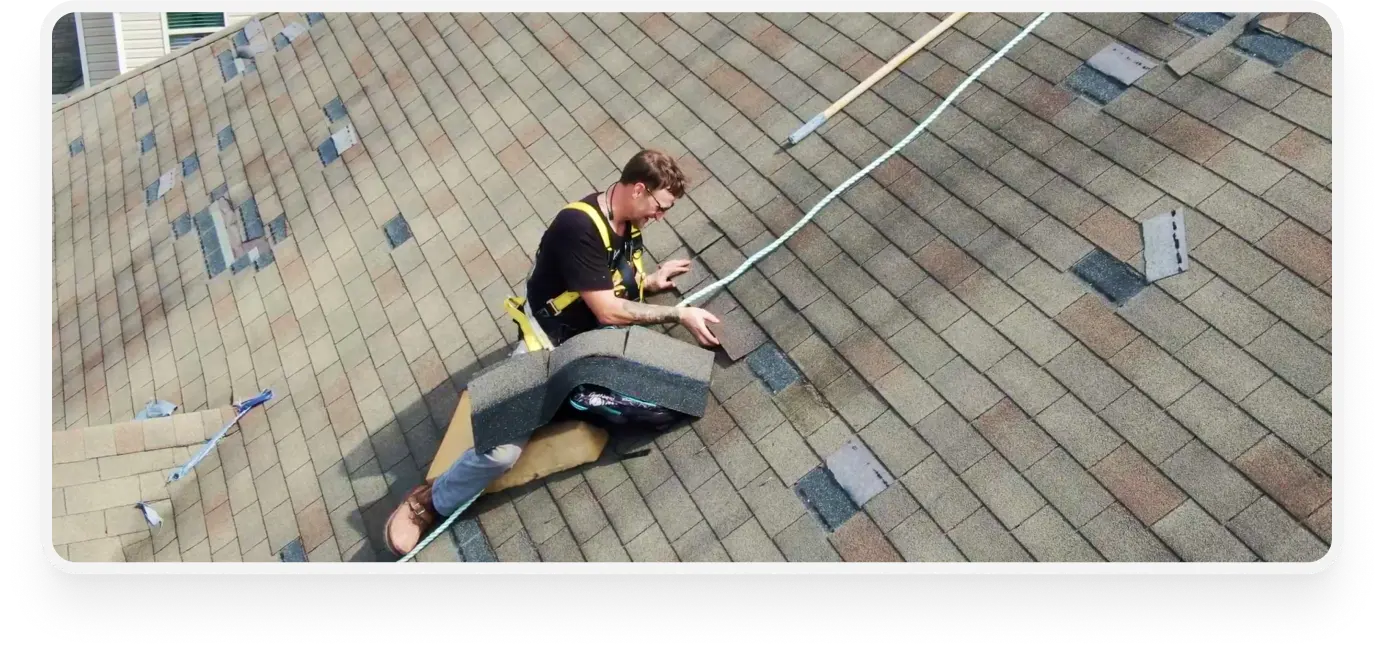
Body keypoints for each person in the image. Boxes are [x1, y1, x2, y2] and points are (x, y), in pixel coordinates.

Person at [385, 150, 722, 556]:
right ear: (638, 189)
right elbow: (608, 309)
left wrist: (649, 281)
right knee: (502, 453)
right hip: (550, 344)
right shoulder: (578, 226)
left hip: (592, 339)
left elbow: (609, 281)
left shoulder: (629, 219)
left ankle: (566, 399)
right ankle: (428, 501)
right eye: (660, 206)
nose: (660, 215)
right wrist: (678, 314)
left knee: (655, 408)